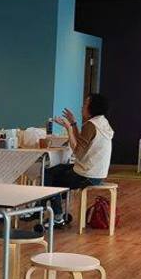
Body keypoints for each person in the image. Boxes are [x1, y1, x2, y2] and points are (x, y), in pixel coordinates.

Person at [43, 93, 114, 228]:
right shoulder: (102, 122)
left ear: (93, 107)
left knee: (49, 177)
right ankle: (46, 209)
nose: (82, 107)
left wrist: (69, 128)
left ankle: (56, 216)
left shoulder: (91, 125)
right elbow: (82, 142)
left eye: (86, 104)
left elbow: (77, 152)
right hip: (97, 173)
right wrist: (74, 123)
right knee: (55, 171)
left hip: (86, 175)